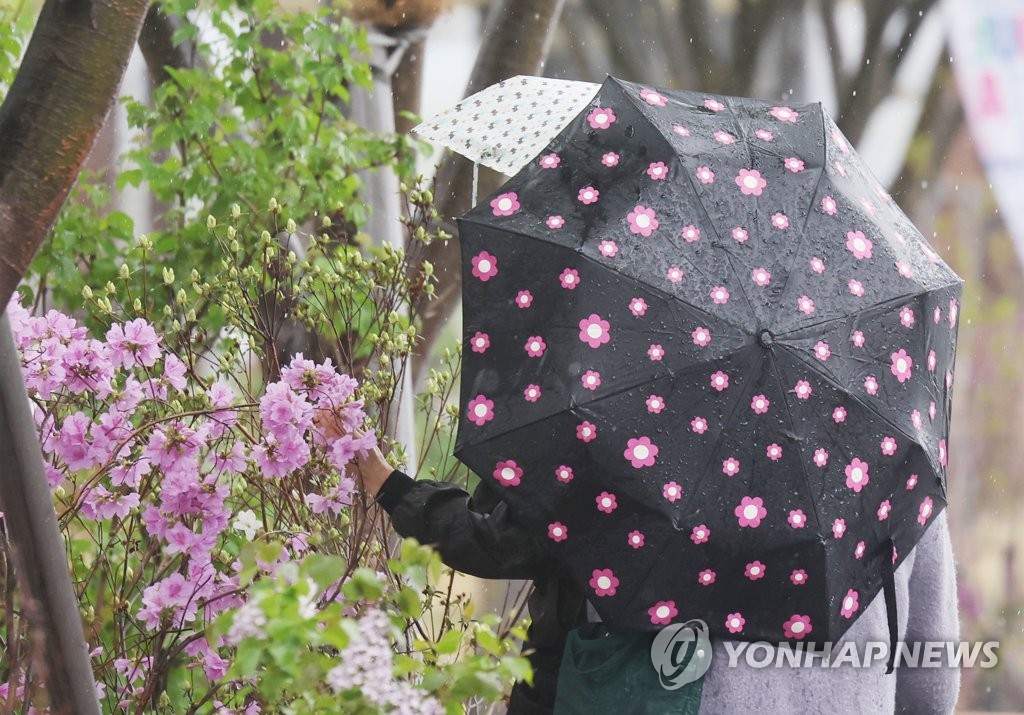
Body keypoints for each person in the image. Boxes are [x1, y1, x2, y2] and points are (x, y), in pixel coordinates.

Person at [323, 419, 962, 714]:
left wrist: (390, 486)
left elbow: (505, 543)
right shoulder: (897, 461)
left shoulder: (647, 426)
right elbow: (932, 688)